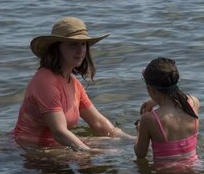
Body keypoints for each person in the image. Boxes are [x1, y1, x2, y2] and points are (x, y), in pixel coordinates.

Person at [12, 17, 128, 151]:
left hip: (55, 145)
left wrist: (133, 140)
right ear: (57, 48)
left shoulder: (74, 83)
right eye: (73, 44)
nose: (80, 50)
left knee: (115, 145)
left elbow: (99, 123)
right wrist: (90, 153)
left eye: (83, 44)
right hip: (31, 149)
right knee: (108, 154)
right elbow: (59, 132)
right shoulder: (45, 81)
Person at [135, 57, 200, 162]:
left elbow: (140, 154)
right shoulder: (194, 103)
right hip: (194, 168)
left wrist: (139, 131)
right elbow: (180, 98)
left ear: (150, 89)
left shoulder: (149, 119)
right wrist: (156, 100)